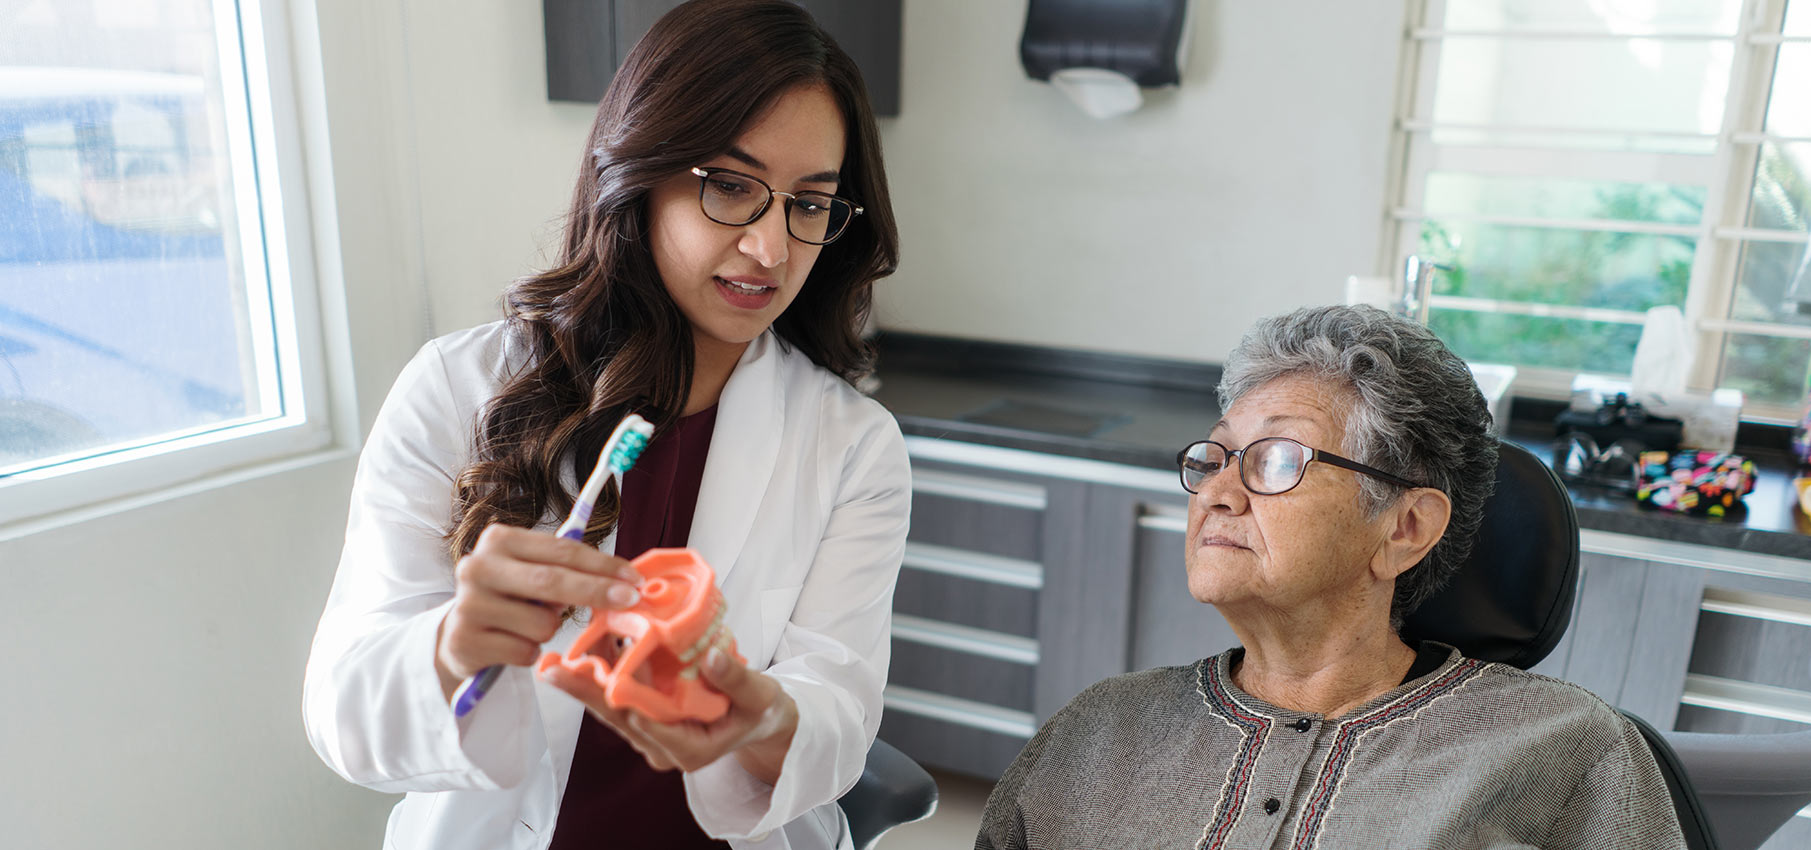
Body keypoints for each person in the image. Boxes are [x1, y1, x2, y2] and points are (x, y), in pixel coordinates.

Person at [301, 2, 908, 848]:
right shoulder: (455, 388)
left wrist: (763, 716)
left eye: (809, 204)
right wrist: (453, 646)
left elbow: (838, 713)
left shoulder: (851, 446)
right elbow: (343, 715)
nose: (772, 248)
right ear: (639, 168)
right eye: (730, 187)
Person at [976, 305, 1687, 850]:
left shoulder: (1565, 749)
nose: (1218, 491)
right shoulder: (1098, 727)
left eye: (1277, 460)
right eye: (1215, 456)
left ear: (1404, 528)